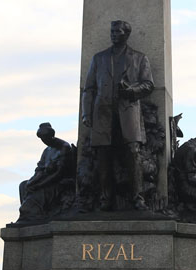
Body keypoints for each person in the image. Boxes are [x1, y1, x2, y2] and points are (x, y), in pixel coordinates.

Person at [82, 20, 154, 211]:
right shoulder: (99, 58)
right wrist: (85, 113)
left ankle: (138, 198)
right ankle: (105, 199)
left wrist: (131, 90)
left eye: (118, 31)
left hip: (128, 111)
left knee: (133, 153)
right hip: (103, 112)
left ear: (126, 34)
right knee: (103, 155)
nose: (113, 34)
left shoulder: (139, 58)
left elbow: (148, 84)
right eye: (112, 31)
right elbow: (89, 88)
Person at [17, 122, 75, 221]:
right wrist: (32, 181)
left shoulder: (64, 148)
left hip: (57, 183)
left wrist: (39, 185)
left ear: (51, 136)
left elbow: (59, 174)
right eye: (42, 140)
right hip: (45, 180)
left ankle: (33, 214)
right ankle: (28, 214)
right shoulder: (47, 150)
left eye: (46, 139)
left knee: (33, 197)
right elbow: (40, 169)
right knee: (23, 185)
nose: (44, 142)